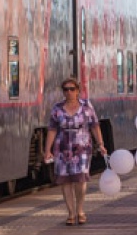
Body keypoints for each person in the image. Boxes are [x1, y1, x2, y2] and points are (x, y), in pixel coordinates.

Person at [43, 78, 108, 226]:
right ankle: (71, 213)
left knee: (80, 180)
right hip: (62, 148)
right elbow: (52, 129)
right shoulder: (57, 108)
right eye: (66, 89)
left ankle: (80, 210)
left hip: (82, 147)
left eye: (72, 89)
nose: (69, 92)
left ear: (78, 90)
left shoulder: (86, 106)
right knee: (65, 181)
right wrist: (48, 150)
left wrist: (101, 144)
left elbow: (95, 126)